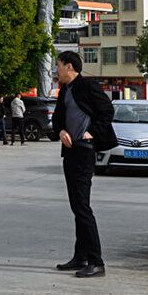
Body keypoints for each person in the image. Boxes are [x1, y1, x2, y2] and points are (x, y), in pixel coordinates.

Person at [50, 51, 115, 278]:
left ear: (69, 67)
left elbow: (107, 111)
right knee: (77, 206)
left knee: (82, 208)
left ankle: (97, 262)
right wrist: (61, 131)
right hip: (70, 152)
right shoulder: (64, 90)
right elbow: (57, 118)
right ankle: (81, 256)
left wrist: (91, 133)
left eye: (58, 65)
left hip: (85, 152)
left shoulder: (87, 86)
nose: (55, 69)